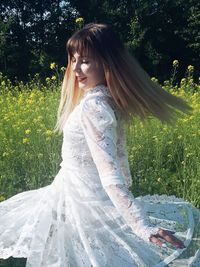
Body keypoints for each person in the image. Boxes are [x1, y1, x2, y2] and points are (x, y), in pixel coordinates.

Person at [0, 23, 199, 267]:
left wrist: (141, 225)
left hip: (84, 206)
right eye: (73, 60)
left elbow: (110, 172)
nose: (75, 69)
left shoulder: (94, 107)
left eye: (84, 60)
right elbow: (119, 155)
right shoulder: (104, 101)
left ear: (107, 63)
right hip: (71, 196)